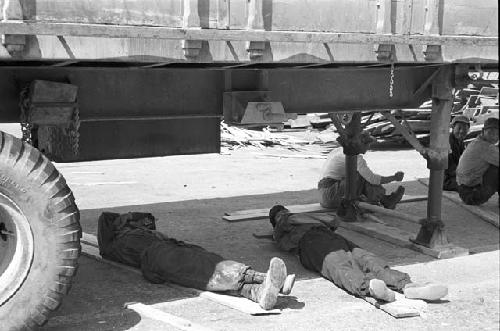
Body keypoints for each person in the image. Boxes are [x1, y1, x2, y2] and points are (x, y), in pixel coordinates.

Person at [98, 211, 295, 310]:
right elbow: (109, 243)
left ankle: (260, 291)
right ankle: (262, 278)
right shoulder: (122, 241)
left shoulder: (139, 235)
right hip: (157, 257)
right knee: (205, 268)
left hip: (169, 250)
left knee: (208, 262)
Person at [269, 205, 449, 302]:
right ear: (277, 219)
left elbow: (333, 221)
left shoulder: (301, 219)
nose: (285, 213)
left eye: (284, 210)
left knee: (366, 258)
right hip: (310, 244)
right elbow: (328, 220)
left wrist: (311, 218)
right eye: (281, 213)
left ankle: (408, 286)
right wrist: (293, 217)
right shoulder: (282, 226)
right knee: (338, 265)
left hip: (332, 237)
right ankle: (370, 287)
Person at [318, 131, 405, 210]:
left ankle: (383, 199)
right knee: (361, 176)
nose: (369, 147)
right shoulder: (354, 157)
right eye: (367, 144)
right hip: (330, 195)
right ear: (360, 144)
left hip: (324, 194)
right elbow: (372, 179)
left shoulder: (338, 151)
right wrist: (394, 178)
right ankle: (385, 200)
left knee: (361, 175)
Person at [456, 117, 499, 205]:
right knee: (496, 169)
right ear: (483, 131)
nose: (494, 136)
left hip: (464, 190)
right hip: (472, 195)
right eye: (490, 132)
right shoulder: (486, 147)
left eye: (497, 134)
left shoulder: (476, 142)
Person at [443, 115, 470, 191]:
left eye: (464, 129)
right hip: (446, 179)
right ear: (453, 127)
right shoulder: (447, 143)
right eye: (459, 128)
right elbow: (450, 169)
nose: (461, 131)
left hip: (456, 175)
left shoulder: (460, 142)